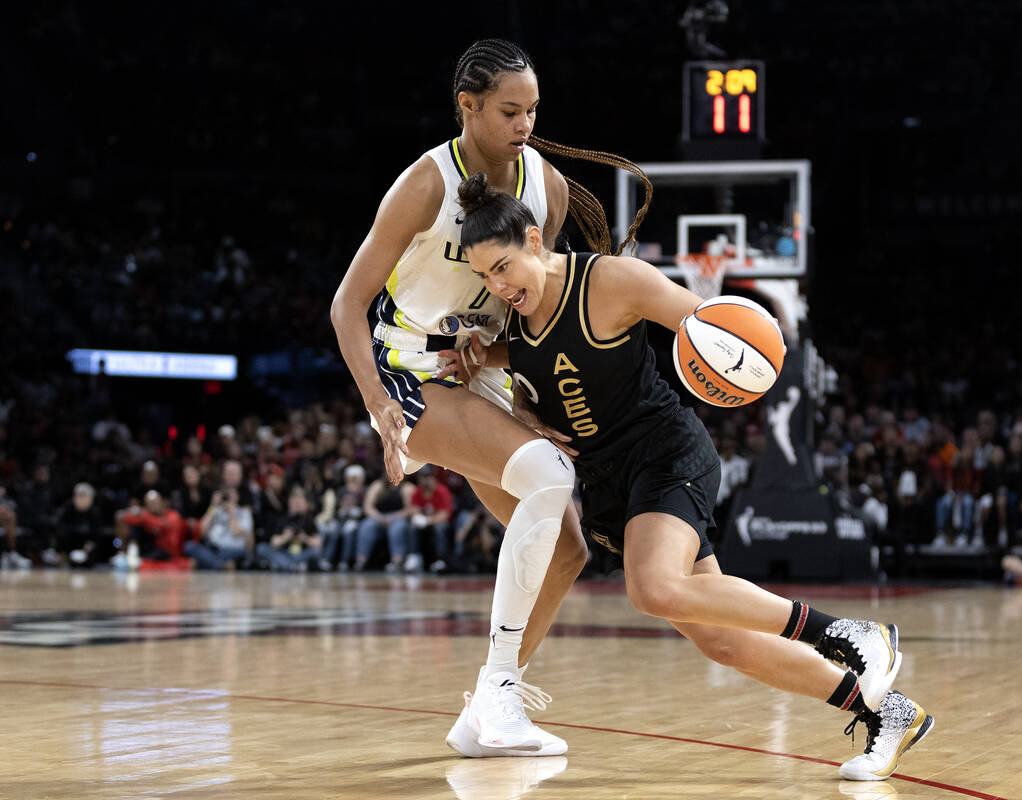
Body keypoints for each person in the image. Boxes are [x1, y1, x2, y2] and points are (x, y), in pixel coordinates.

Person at [439, 173, 934, 782]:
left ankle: (849, 634)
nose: (498, 285)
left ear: (536, 240)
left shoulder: (613, 282)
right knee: (719, 641)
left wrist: (742, 360)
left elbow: (712, 325)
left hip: (663, 454)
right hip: (606, 486)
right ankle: (886, 711)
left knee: (652, 589)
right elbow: (523, 369)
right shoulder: (508, 322)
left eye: (504, 267)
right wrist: (491, 379)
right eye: (485, 275)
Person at [329, 39, 652, 756]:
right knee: (547, 473)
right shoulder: (424, 185)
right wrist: (378, 401)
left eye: (534, 110)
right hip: (411, 368)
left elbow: (529, 310)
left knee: (566, 550)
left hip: (484, 371)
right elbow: (346, 305)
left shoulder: (550, 188)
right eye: (509, 110)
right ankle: (500, 703)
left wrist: (528, 397)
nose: (525, 123)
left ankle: (485, 709)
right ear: (467, 106)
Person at [185, 487, 253, 570]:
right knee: (189, 546)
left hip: (232, 550)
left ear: (238, 496)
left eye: (232, 494)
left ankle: (208, 563)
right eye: (227, 495)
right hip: (213, 548)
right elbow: (202, 530)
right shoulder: (216, 510)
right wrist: (213, 506)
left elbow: (236, 533)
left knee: (238, 554)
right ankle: (220, 565)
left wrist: (231, 514)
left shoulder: (244, 512)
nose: (229, 497)